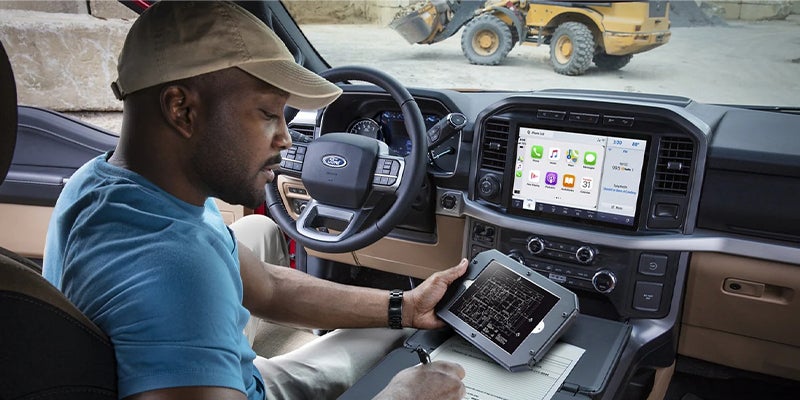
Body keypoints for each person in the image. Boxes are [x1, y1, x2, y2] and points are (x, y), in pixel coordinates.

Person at [41, 2, 468, 400]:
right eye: (268, 113)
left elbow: (266, 285)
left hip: (238, 379)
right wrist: (400, 396)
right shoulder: (175, 267)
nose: (285, 137)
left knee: (398, 332)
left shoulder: (110, 183)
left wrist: (406, 307)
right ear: (181, 109)